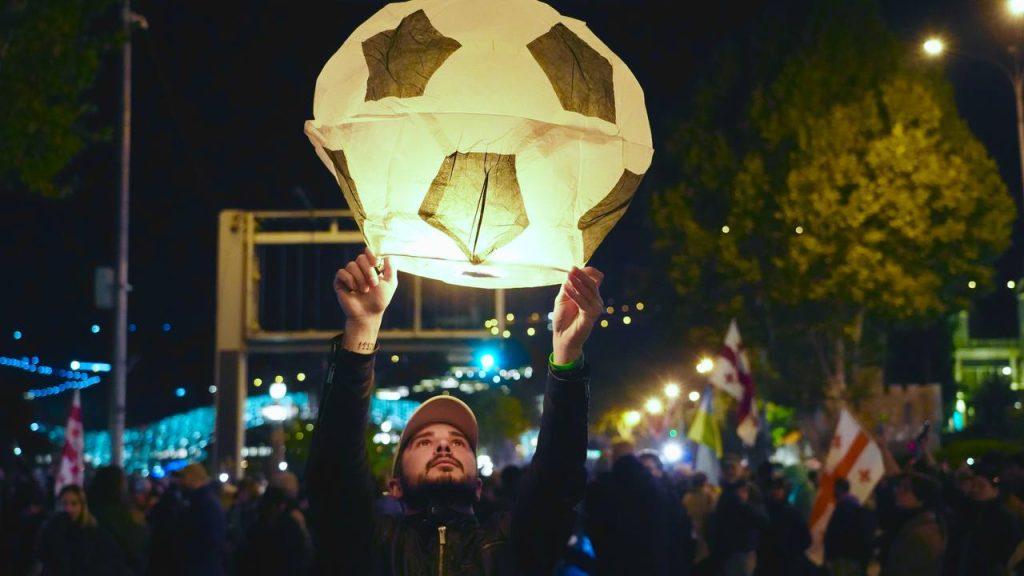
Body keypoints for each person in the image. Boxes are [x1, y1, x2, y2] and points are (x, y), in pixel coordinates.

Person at [307, 248, 601, 575]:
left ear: (478, 485)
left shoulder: (513, 545)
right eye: (424, 442)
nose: (444, 446)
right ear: (394, 487)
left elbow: (558, 478)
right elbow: (335, 466)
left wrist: (567, 353)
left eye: (459, 443)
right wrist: (362, 328)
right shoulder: (370, 545)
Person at [36, 484, 121, 575]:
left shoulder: (94, 533)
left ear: (82, 506)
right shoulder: (50, 529)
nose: (68, 509)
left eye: (74, 503)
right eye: (64, 504)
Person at [880, 472, 945, 576]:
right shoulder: (908, 522)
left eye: (905, 489)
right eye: (899, 486)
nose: (898, 491)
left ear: (921, 498)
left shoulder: (919, 534)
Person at [824, 477, 872, 576]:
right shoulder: (858, 508)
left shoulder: (843, 509)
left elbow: (834, 535)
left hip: (843, 560)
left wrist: (828, 556)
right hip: (856, 559)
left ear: (838, 489)